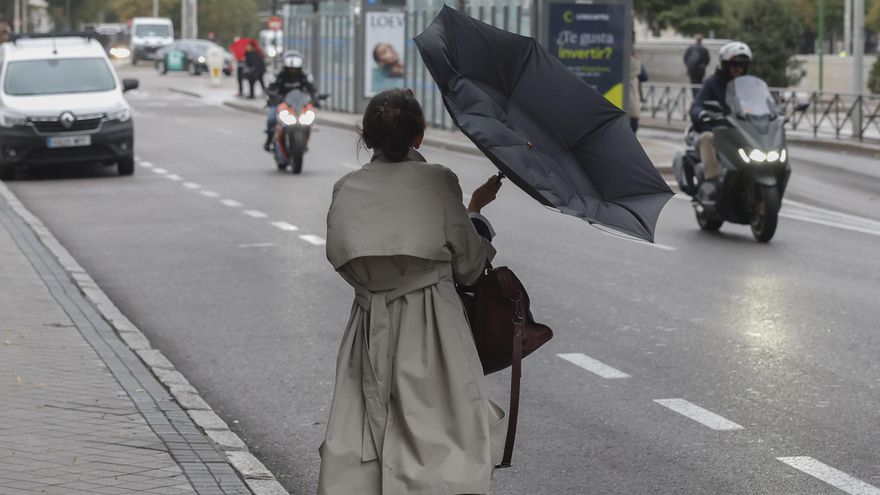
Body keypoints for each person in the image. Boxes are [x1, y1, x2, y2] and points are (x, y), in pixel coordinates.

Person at [319, 88, 506, 495]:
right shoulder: (439, 182)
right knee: (441, 440)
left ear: (366, 137)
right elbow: (471, 268)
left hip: (369, 328)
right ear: (418, 136)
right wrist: (475, 213)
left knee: (364, 436)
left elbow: (341, 256)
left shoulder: (346, 187)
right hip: (433, 327)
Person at [689, 41, 752, 200]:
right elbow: (696, 105)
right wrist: (702, 113)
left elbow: (759, 103)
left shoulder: (747, 85)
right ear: (725, 64)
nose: (738, 68)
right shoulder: (712, 83)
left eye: (742, 65)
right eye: (734, 64)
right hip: (717, 129)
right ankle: (713, 181)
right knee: (707, 138)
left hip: (740, 130)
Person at [263, 52, 319, 151]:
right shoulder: (278, 75)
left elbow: (311, 89)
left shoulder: (303, 75)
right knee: (271, 119)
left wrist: (315, 98)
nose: (293, 70)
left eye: (295, 69)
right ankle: (269, 140)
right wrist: (274, 97)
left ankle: (303, 141)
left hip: (299, 104)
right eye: (290, 68)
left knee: (309, 118)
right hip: (281, 103)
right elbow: (271, 89)